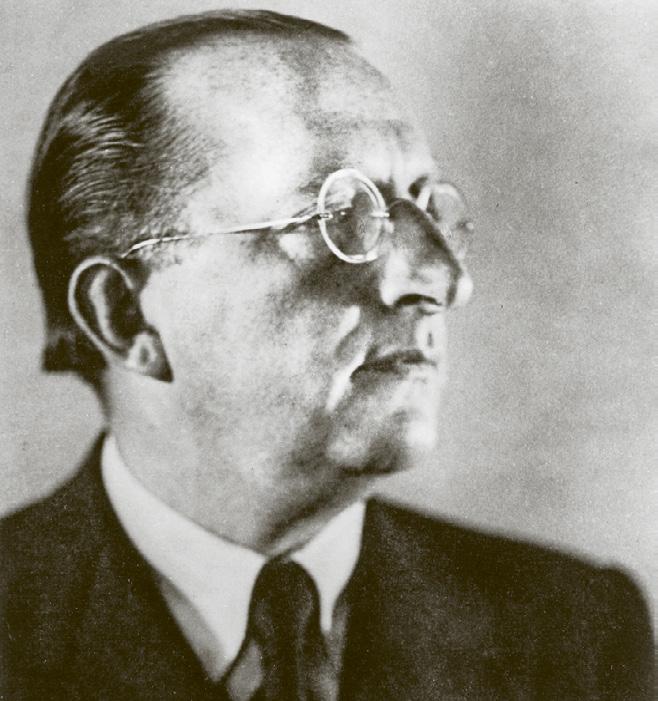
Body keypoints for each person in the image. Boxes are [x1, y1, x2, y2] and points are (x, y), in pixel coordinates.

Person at [1, 10, 653, 700]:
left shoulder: (576, 634)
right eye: (338, 217)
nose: (443, 281)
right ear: (124, 314)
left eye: (427, 207)